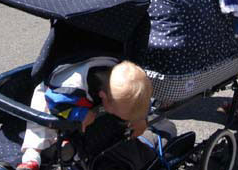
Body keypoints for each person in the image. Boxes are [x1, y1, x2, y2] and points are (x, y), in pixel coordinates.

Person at [17, 59, 152, 170]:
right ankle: (32, 157)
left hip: (84, 91)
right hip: (53, 94)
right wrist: (80, 114)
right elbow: (56, 104)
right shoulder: (73, 87)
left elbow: (133, 101)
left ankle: (70, 142)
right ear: (102, 96)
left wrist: (139, 118)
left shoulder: (119, 74)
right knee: (42, 124)